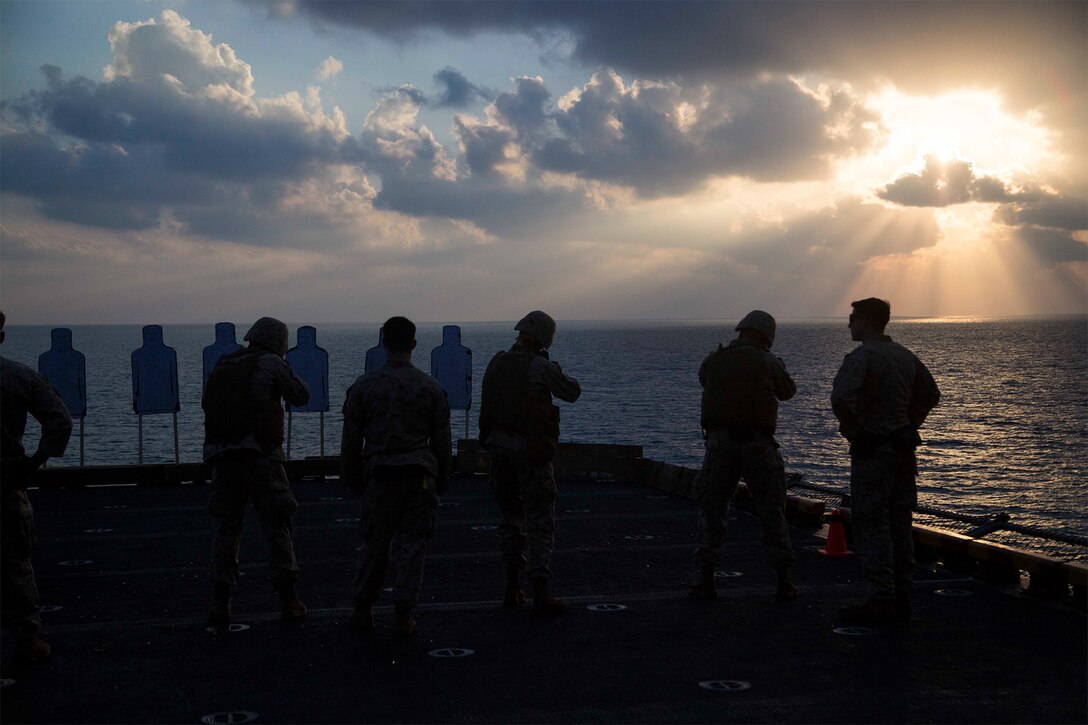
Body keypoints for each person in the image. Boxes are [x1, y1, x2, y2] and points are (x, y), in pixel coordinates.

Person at [831, 298, 940, 624]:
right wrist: (909, 425)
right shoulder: (906, 356)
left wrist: (857, 430)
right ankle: (902, 595)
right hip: (902, 453)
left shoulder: (862, 357)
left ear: (866, 320)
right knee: (900, 524)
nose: (849, 323)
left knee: (871, 523)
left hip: (873, 453)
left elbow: (840, 398)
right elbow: (930, 394)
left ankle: (881, 598)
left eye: (853, 318)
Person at [341, 317, 452, 636]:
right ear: (414, 345)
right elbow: (442, 440)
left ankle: (364, 609)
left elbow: (351, 440)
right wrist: (443, 479)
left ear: (384, 343)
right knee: (412, 546)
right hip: (420, 475)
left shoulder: (365, 385)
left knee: (375, 543)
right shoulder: (430, 386)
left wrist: (351, 478)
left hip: (381, 475)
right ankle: (404, 614)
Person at [202, 316, 311, 627]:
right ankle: (289, 599)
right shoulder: (272, 363)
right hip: (260, 455)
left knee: (226, 529)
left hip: (222, 457)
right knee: (277, 524)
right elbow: (301, 395)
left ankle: (221, 602)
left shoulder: (224, 363)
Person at [691, 310, 798, 602]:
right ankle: (783, 581)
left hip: (719, 445)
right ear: (766, 334)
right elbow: (788, 392)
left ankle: (706, 579)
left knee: (712, 511)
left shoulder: (715, 359)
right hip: (756, 445)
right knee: (772, 510)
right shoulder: (767, 361)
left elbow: (705, 382)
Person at [479, 311, 581, 617]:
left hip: (498, 450)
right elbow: (572, 392)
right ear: (544, 339)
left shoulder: (496, 362)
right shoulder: (540, 367)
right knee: (539, 519)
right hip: (529, 452)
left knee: (510, 519)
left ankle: (512, 587)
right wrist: (556, 369)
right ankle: (541, 592)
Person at [1, 311, 73, 668]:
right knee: (15, 564)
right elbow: (60, 420)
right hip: (7, 481)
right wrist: (35, 462)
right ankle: (27, 639)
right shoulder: (20, 376)